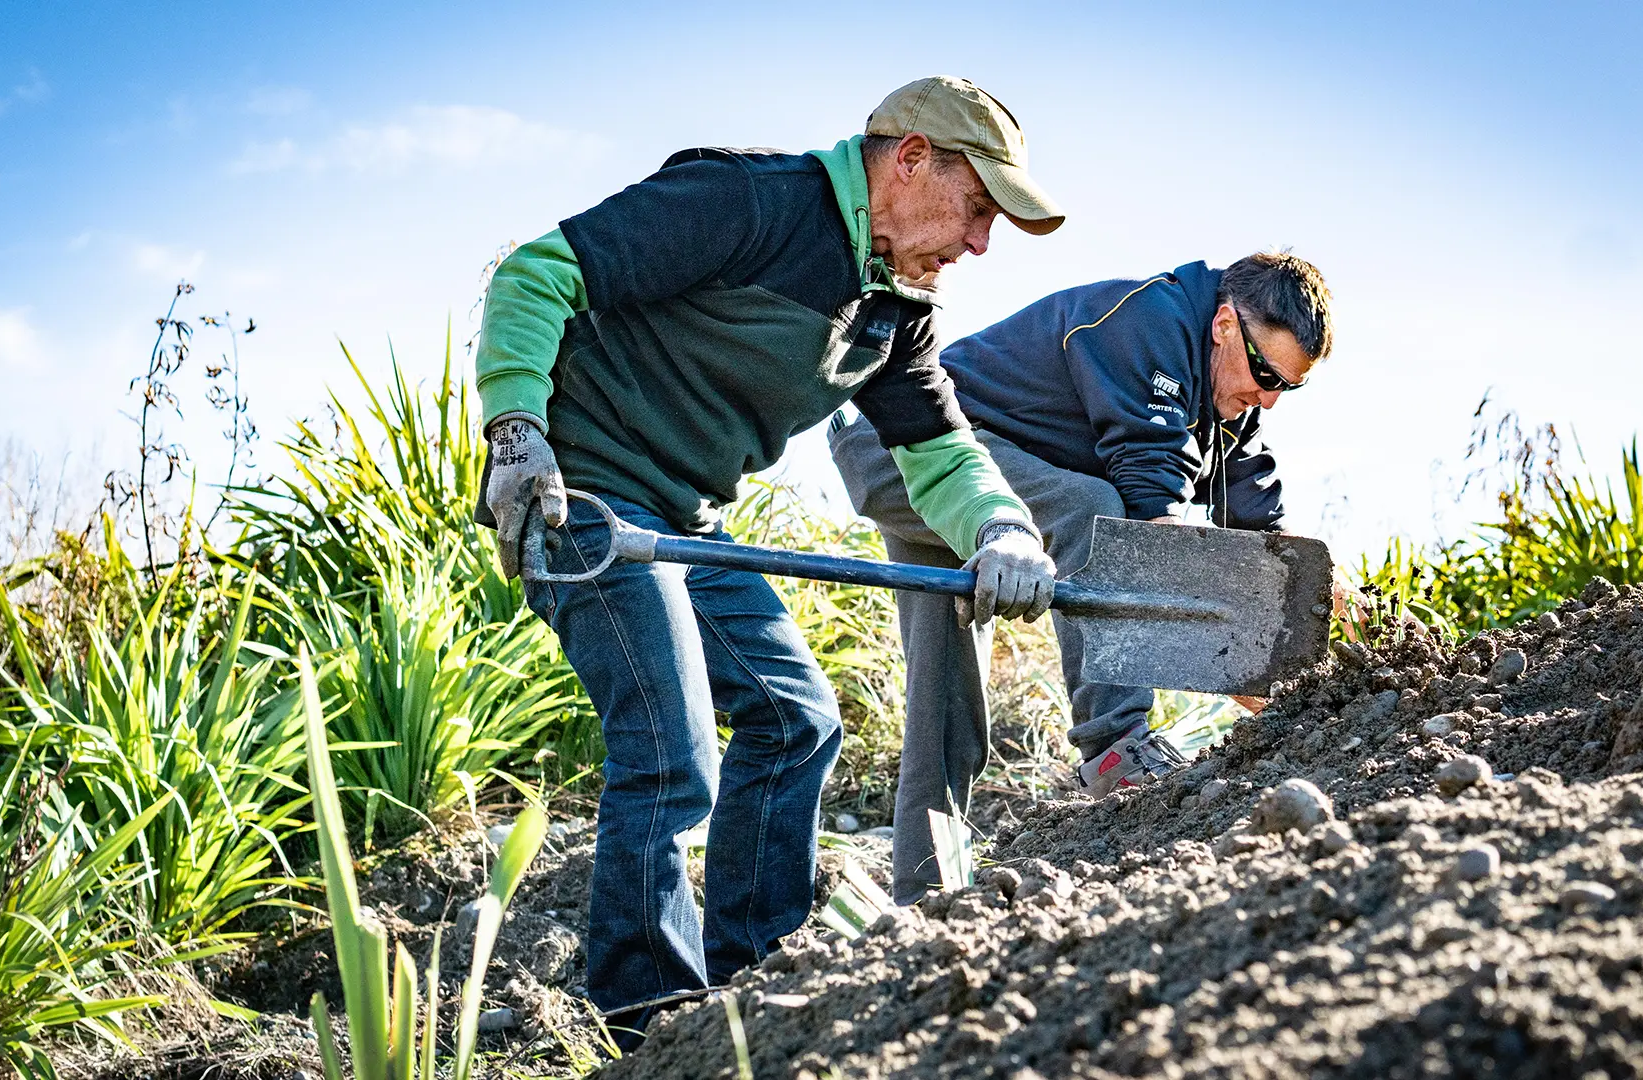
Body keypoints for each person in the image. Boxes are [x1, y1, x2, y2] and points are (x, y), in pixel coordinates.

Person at [471, 76, 1067, 1042]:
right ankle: (649, 1021)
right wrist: (515, 434)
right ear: (910, 159)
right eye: (976, 209)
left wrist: (1002, 530)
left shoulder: (896, 308)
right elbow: (538, 273)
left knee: (796, 716)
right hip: (578, 495)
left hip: (684, 522)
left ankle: (755, 984)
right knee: (670, 747)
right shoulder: (747, 201)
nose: (979, 243)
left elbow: (939, 451)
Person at [830, 252, 1334, 904]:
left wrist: (1332, 649)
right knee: (1091, 507)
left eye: (1285, 388)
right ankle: (1117, 746)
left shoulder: (1231, 396)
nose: (1267, 397)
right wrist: (1262, 679)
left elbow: (1268, 536)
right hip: (901, 452)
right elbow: (1150, 536)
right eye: (1264, 373)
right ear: (1223, 325)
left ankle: (926, 903)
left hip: (976, 486)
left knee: (947, 716)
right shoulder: (1152, 326)